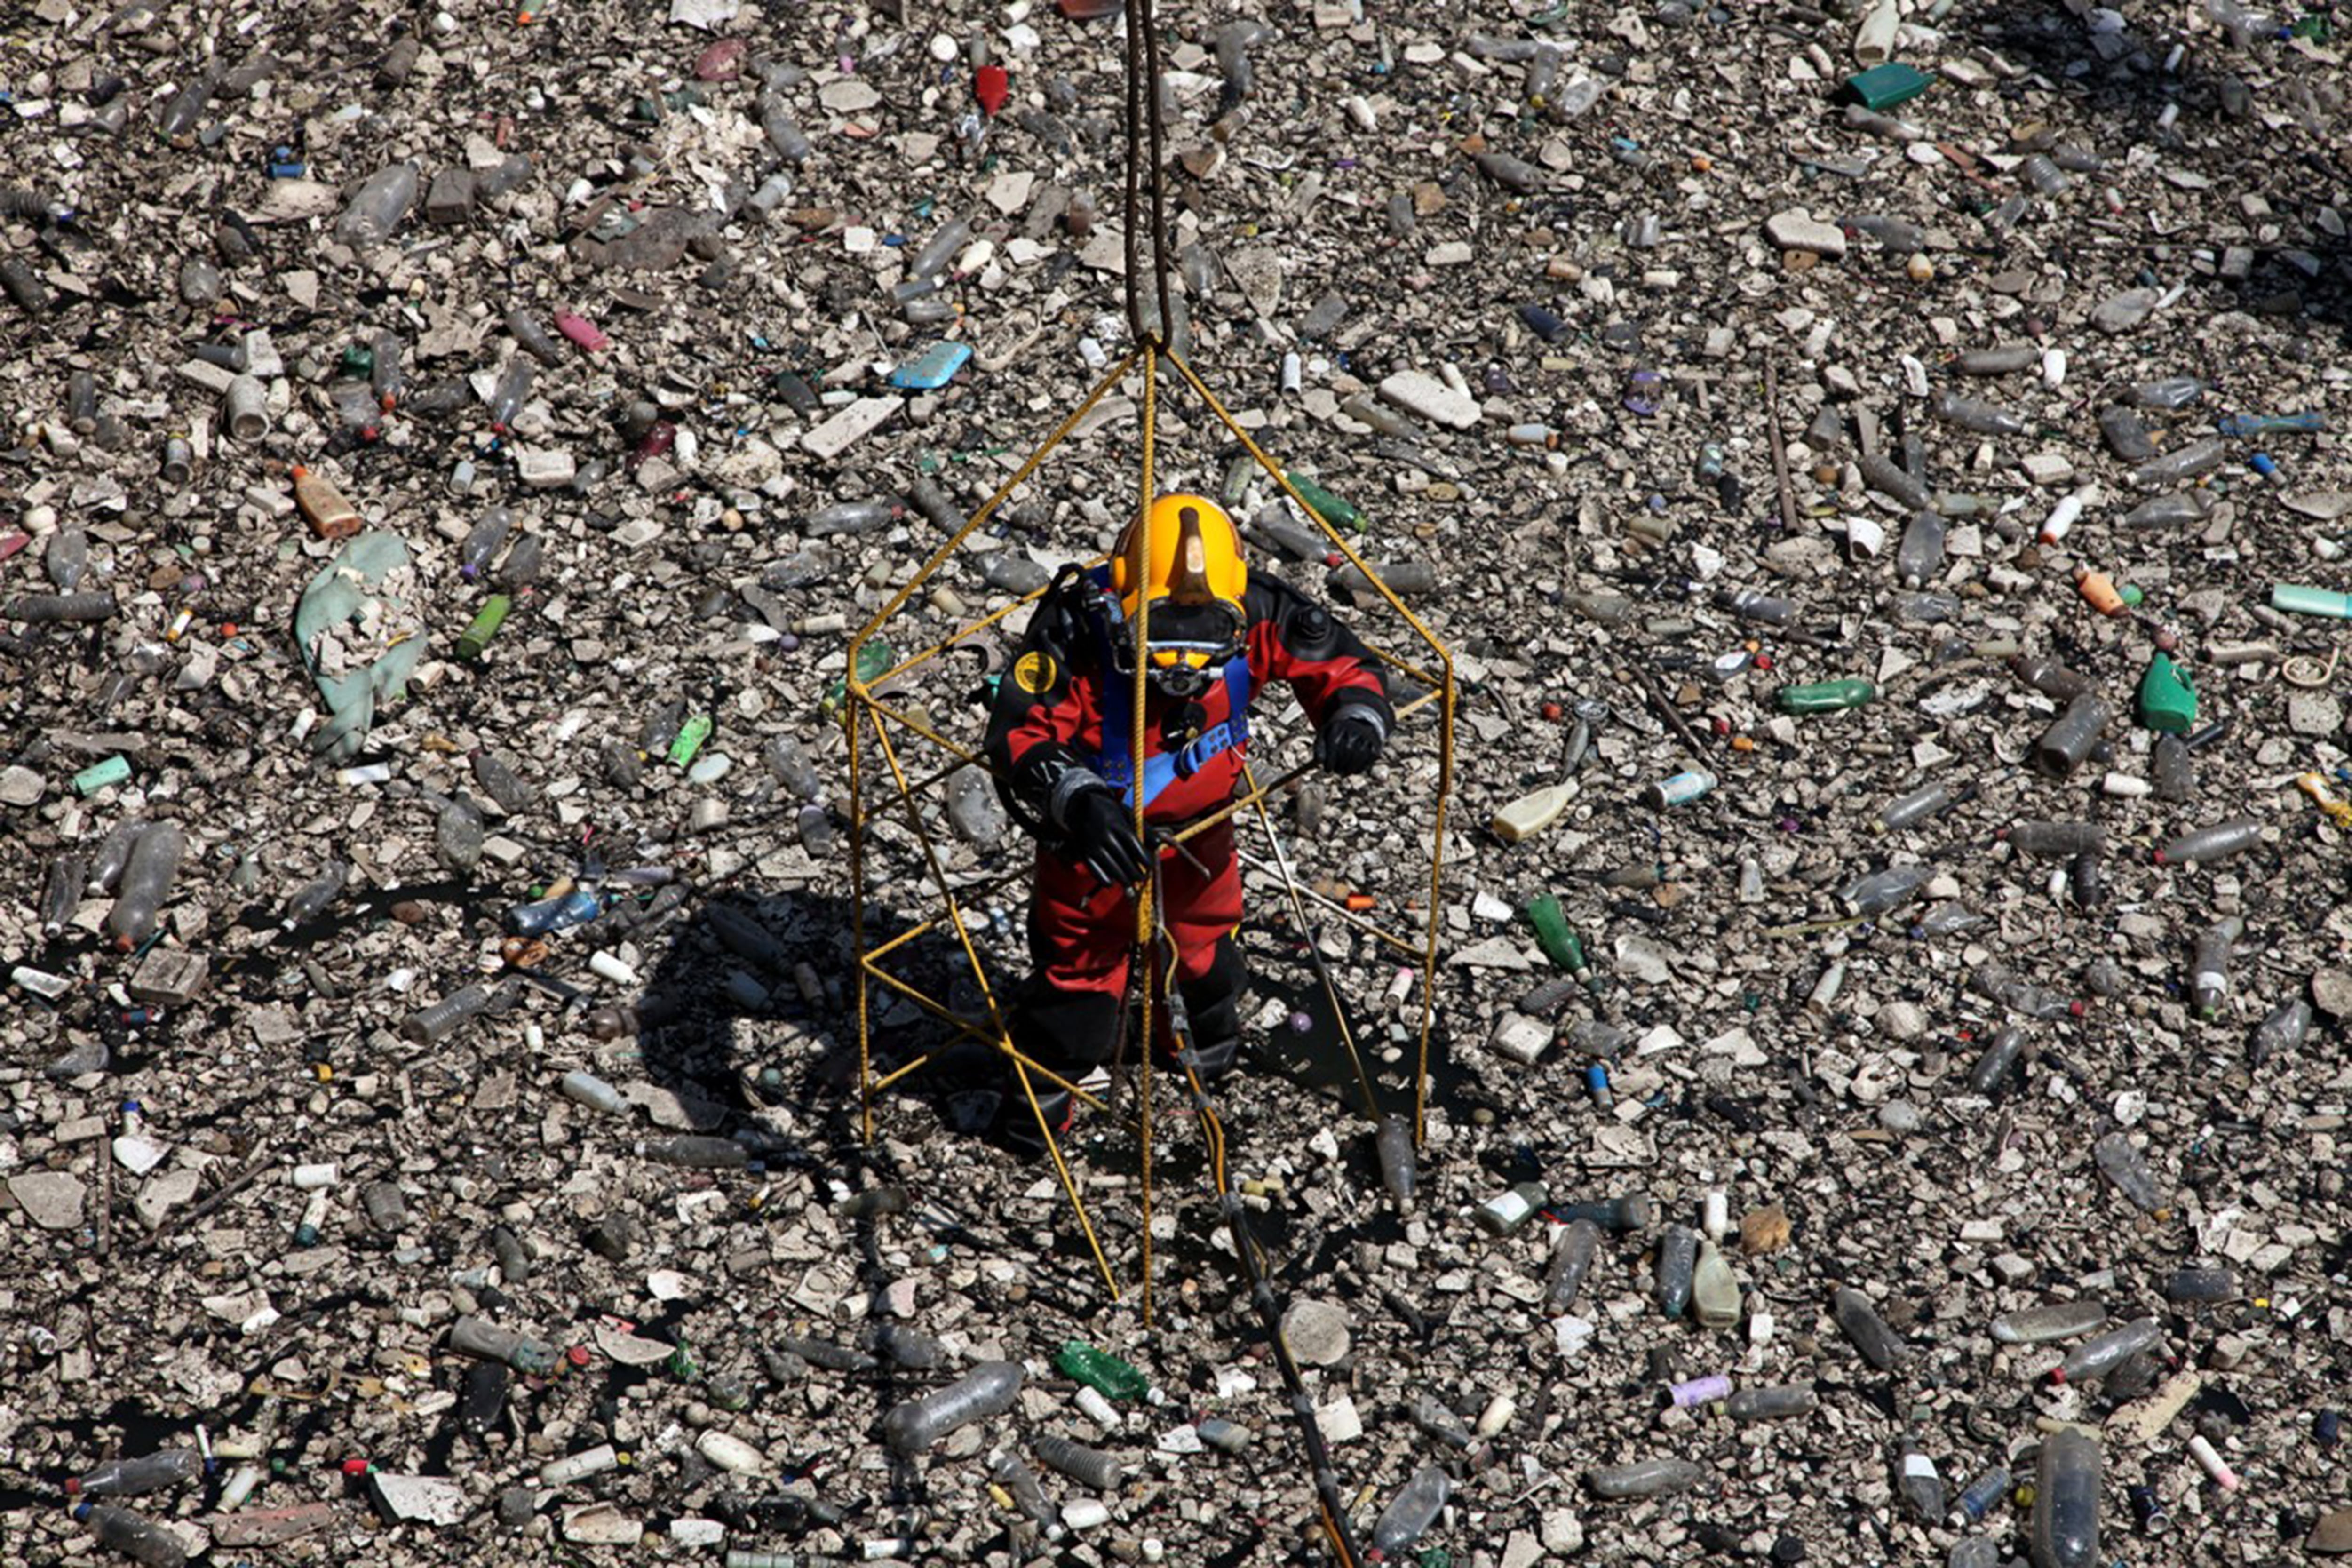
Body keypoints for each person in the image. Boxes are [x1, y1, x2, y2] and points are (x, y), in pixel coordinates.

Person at [980, 491, 1391, 1152]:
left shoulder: (1261, 609)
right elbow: (1020, 730)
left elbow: (1342, 663)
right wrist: (1078, 799)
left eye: (1204, 636)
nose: (1180, 665)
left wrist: (1355, 717)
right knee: (1078, 983)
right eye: (1162, 634)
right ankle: (1037, 1115)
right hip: (1096, 842)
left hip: (1202, 833)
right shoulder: (1076, 626)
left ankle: (1204, 1048)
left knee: (1204, 950)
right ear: (1124, 604)